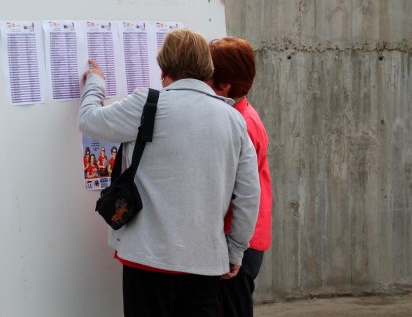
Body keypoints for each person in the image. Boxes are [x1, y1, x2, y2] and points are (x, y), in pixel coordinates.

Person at [78, 29, 260, 317]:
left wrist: (95, 84)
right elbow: (249, 195)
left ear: (163, 70)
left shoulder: (147, 104)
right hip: (206, 262)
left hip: (147, 258)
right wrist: (236, 250)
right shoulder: (233, 120)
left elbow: (89, 120)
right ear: (207, 68)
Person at [208, 37, 273, 317]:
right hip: (246, 238)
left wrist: (232, 250)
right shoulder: (243, 113)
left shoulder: (239, 124)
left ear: (223, 86)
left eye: (204, 77)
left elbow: (243, 194)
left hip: (238, 242)